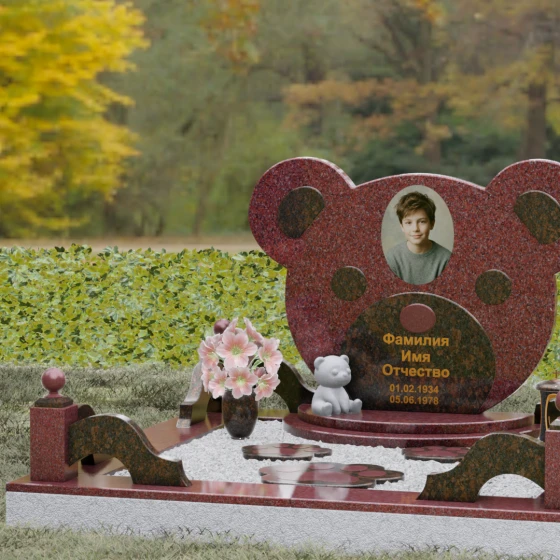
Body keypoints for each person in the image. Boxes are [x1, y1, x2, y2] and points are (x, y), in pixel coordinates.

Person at [385, 191, 451, 284]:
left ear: (432, 224)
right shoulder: (392, 258)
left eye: (422, 222)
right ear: (402, 226)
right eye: (408, 223)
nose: (415, 228)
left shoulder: (446, 259)